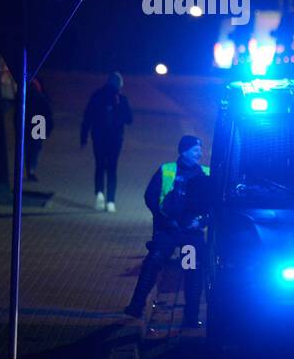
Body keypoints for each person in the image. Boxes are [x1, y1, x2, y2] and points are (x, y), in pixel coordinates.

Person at [123, 135, 211, 326]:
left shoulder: (205, 173)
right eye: (196, 149)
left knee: (191, 270)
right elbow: (151, 197)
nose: (200, 153)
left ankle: (191, 316)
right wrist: (164, 219)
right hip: (168, 231)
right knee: (153, 263)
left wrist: (201, 222)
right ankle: (136, 306)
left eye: (200, 150)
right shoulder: (166, 170)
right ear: (184, 151)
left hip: (190, 234)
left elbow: (212, 205)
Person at [80, 72, 132, 212]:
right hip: (115, 138)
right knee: (112, 168)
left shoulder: (97, 95)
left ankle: (99, 194)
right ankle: (110, 200)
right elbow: (129, 119)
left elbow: (88, 116)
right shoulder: (120, 98)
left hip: (99, 137)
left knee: (100, 165)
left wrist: (83, 137)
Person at [24, 78, 53, 182]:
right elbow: (48, 114)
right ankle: (31, 170)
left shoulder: (26, 98)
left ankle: (30, 170)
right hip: (38, 124)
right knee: (35, 149)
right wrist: (49, 127)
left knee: (29, 149)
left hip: (29, 125)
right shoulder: (42, 98)